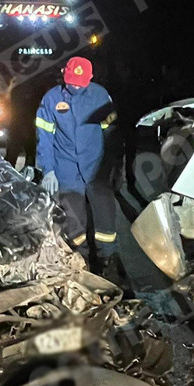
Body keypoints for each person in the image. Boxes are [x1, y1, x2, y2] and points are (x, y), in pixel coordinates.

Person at [35, 56, 124, 281]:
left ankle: (108, 261)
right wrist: (48, 170)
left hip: (96, 166)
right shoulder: (51, 99)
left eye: (79, 83)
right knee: (74, 220)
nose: (74, 86)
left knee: (105, 218)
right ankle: (81, 261)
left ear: (90, 78)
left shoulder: (100, 96)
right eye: (71, 82)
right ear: (64, 75)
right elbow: (44, 138)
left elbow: (111, 133)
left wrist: (115, 166)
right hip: (66, 169)